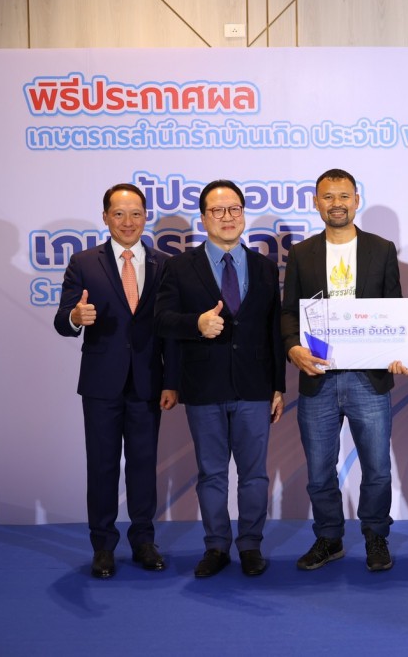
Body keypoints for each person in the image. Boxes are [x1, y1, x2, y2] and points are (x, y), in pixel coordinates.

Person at [155, 178, 285, 578]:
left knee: (254, 475)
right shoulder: (179, 266)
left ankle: (250, 545)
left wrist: (278, 386)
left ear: (243, 215)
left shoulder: (265, 266)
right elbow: (161, 320)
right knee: (211, 473)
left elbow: (273, 331)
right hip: (204, 386)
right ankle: (216, 546)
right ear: (203, 218)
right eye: (217, 210)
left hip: (254, 387)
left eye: (234, 209)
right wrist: (196, 324)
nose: (227, 217)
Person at [280, 168, 408, 573]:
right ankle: (329, 538)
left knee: (377, 469)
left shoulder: (381, 249)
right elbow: (288, 312)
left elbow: (393, 307)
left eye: (343, 196)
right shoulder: (301, 253)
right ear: (316, 203)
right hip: (318, 377)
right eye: (328, 196)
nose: (336, 203)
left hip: (368, 378)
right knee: (319, 471)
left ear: (356, 200)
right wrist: (292, 347)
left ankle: (376, 536)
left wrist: (397, 350)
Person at [54, 183, 178, 579]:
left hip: (147, 381)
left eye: (136, 213)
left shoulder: (164, 264)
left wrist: (171, 381)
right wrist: (75, 318)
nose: (128, 222)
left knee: (143, 465)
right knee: (102, 466)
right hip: (101, 383)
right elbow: (62, 320)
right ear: (106, 217)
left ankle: (143, 541)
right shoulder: (83, 262)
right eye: (119, 214)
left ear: (145, 217)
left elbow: (170, 331)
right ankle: (103, 546)